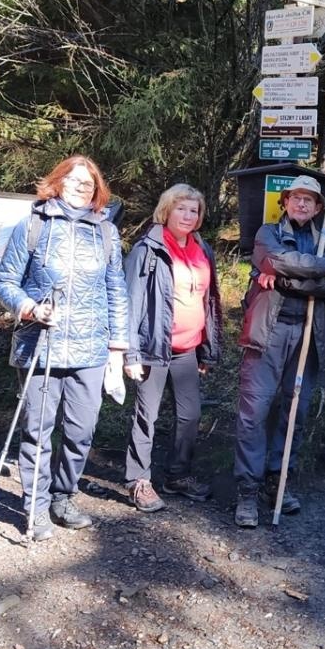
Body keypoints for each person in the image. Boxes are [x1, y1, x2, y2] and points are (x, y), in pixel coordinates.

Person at [0, 155, 128, 540]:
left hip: (90, 348)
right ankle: (35, 510)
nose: (79, 188)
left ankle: (63, 496)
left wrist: (118, 348)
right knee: (37, 431)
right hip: (41, 346)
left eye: (87, 184)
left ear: (96, 191)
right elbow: (5, 281)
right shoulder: (33, 224)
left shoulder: (105, 232)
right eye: (72, 181)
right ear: (57, 182)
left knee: (81, 431)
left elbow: (116, 290)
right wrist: (31, 308)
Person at [233, 176, 325, 529]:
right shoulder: (267, 232)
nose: (303, 204)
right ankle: (247, 489)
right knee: (254, 411)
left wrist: (290, 277)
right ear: (286, 201)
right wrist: (318, 269)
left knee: (294, 410)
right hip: (269, 332)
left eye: (310, 200)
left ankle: (277, 482)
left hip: (307, 333)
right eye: (297, 198)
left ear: (318, 208)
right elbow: (273, 261)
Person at [123, 184, 223, 513]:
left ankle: (177, 475)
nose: (188, 215)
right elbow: (131, 303)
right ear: (166, 210)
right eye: (181, 208)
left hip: (188, 348)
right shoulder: (148, 249)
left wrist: (206, 348)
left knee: (190, 415)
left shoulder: (202, 248)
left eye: (194, 210)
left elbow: (210, 301)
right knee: (146, 416)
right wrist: (130, 353)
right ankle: (138, 480)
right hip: (153, 347)